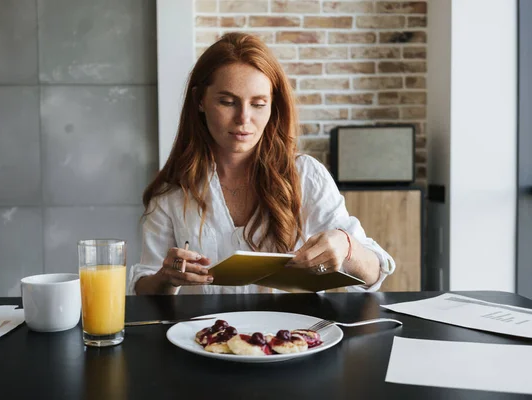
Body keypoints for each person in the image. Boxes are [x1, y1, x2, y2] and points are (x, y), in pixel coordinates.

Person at [129, 32, 395, 295]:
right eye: (227, 102)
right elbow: (144, 287)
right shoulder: (173, 189)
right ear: (200, 100)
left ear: (272, 106)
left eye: (258, 104)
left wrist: (345, 245)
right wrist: (167, 277)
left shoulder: (306, 175)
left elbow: (374, 273)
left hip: (292, 336)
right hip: (203, 336)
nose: (243, 118)